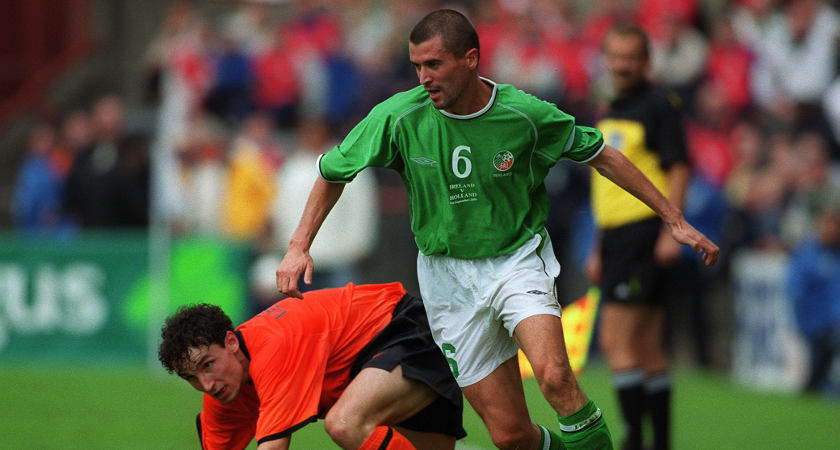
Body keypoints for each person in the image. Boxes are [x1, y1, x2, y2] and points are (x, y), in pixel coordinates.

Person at [276, 9, 719, 450]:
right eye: (416, 66)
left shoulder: (524, 113)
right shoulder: (397, 117)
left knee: (555, 376)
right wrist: (299, 247)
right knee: (511, 436)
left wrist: (674, 219)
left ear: (470, 59)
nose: (423, 77)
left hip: (515, 260)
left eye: (435, 64)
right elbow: (333, 171)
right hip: (447, 279)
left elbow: (603, 154)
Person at [158, 281, 466, 450]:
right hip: (374, 370)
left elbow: (273, 448)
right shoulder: (222, 393)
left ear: (231, 342)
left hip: (405, 330)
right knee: (510, 436)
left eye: (208, 364)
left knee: (344, 424)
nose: (206, 384)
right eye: (191, 378)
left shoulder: (272, 348)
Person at [585, 25, 691, 450]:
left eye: (631, 57)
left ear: (646, 62)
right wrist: (597, 245)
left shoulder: (658, 104)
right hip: (615, 236)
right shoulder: (611, 105)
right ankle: (659, 443)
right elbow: (607, 183)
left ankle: (634, 439)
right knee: (646, 345)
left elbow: (679, 166)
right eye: (615, 55)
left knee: (616, 341)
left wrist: (673, 227)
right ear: (606, 59)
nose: (622, 64)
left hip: (642, 233)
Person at [787, 197, 840, 395]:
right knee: (819, 368)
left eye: (836, 224)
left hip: (833, 325)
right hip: (817, 326)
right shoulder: (807, 255)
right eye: (828, 223)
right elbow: (797, 293)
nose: (832, 229)